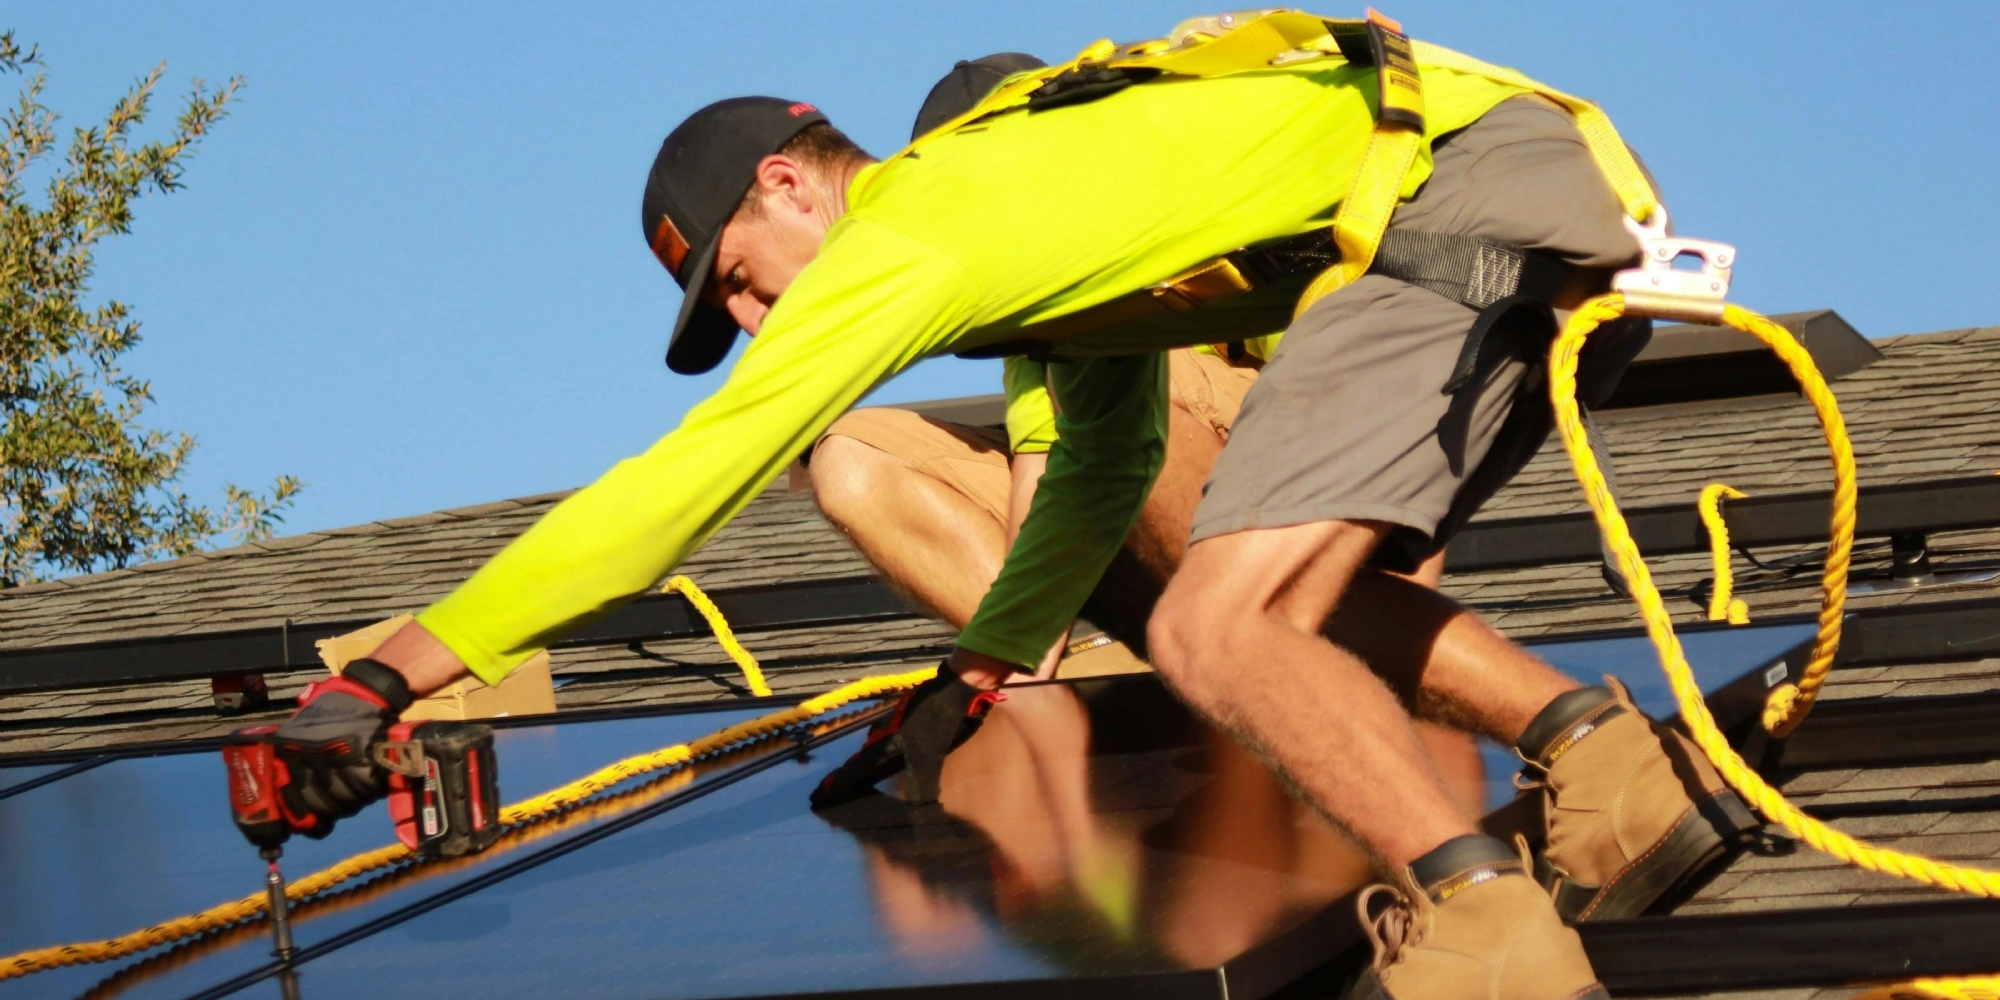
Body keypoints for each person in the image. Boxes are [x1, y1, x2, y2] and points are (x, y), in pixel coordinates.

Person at [262, 14, 1758, 999]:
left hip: (1457, 205)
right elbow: (1102, 472)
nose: (759, 312)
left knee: (1214, 635)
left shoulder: (914, 230)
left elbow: (675, 491)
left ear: (790, 184)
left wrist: (396, 670)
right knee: (1267, 602)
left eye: (736, 276)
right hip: (1496, 195)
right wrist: (982, 669)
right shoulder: (1015, 224)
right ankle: (1611, 776)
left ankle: (1484, 928)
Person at [809, 52, 1489, 814]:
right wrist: (1002, 684)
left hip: (1259, 514)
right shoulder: (1024, 289)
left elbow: (1384, 414)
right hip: (1128, 554)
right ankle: (1118, 655)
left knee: (1132, 386)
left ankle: (1227, 642)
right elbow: (1043, 470)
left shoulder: (1176, 229)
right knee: (855, 455)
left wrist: (1387, 645)